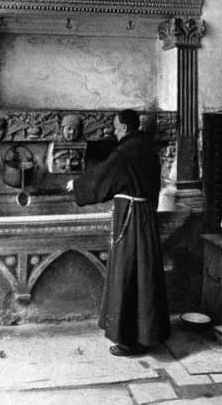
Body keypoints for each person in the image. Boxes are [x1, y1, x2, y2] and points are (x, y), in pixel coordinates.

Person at [66, 109, 170, 356]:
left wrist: (77, 185)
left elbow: (105, 176)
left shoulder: (125, 152)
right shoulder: (144, 147)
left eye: (115, 127)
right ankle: (148, 335)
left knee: (127, 273)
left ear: (123, 127)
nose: (113, 131)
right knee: (145, 274)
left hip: (131, 219)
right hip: (145, 215)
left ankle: (129, 341)